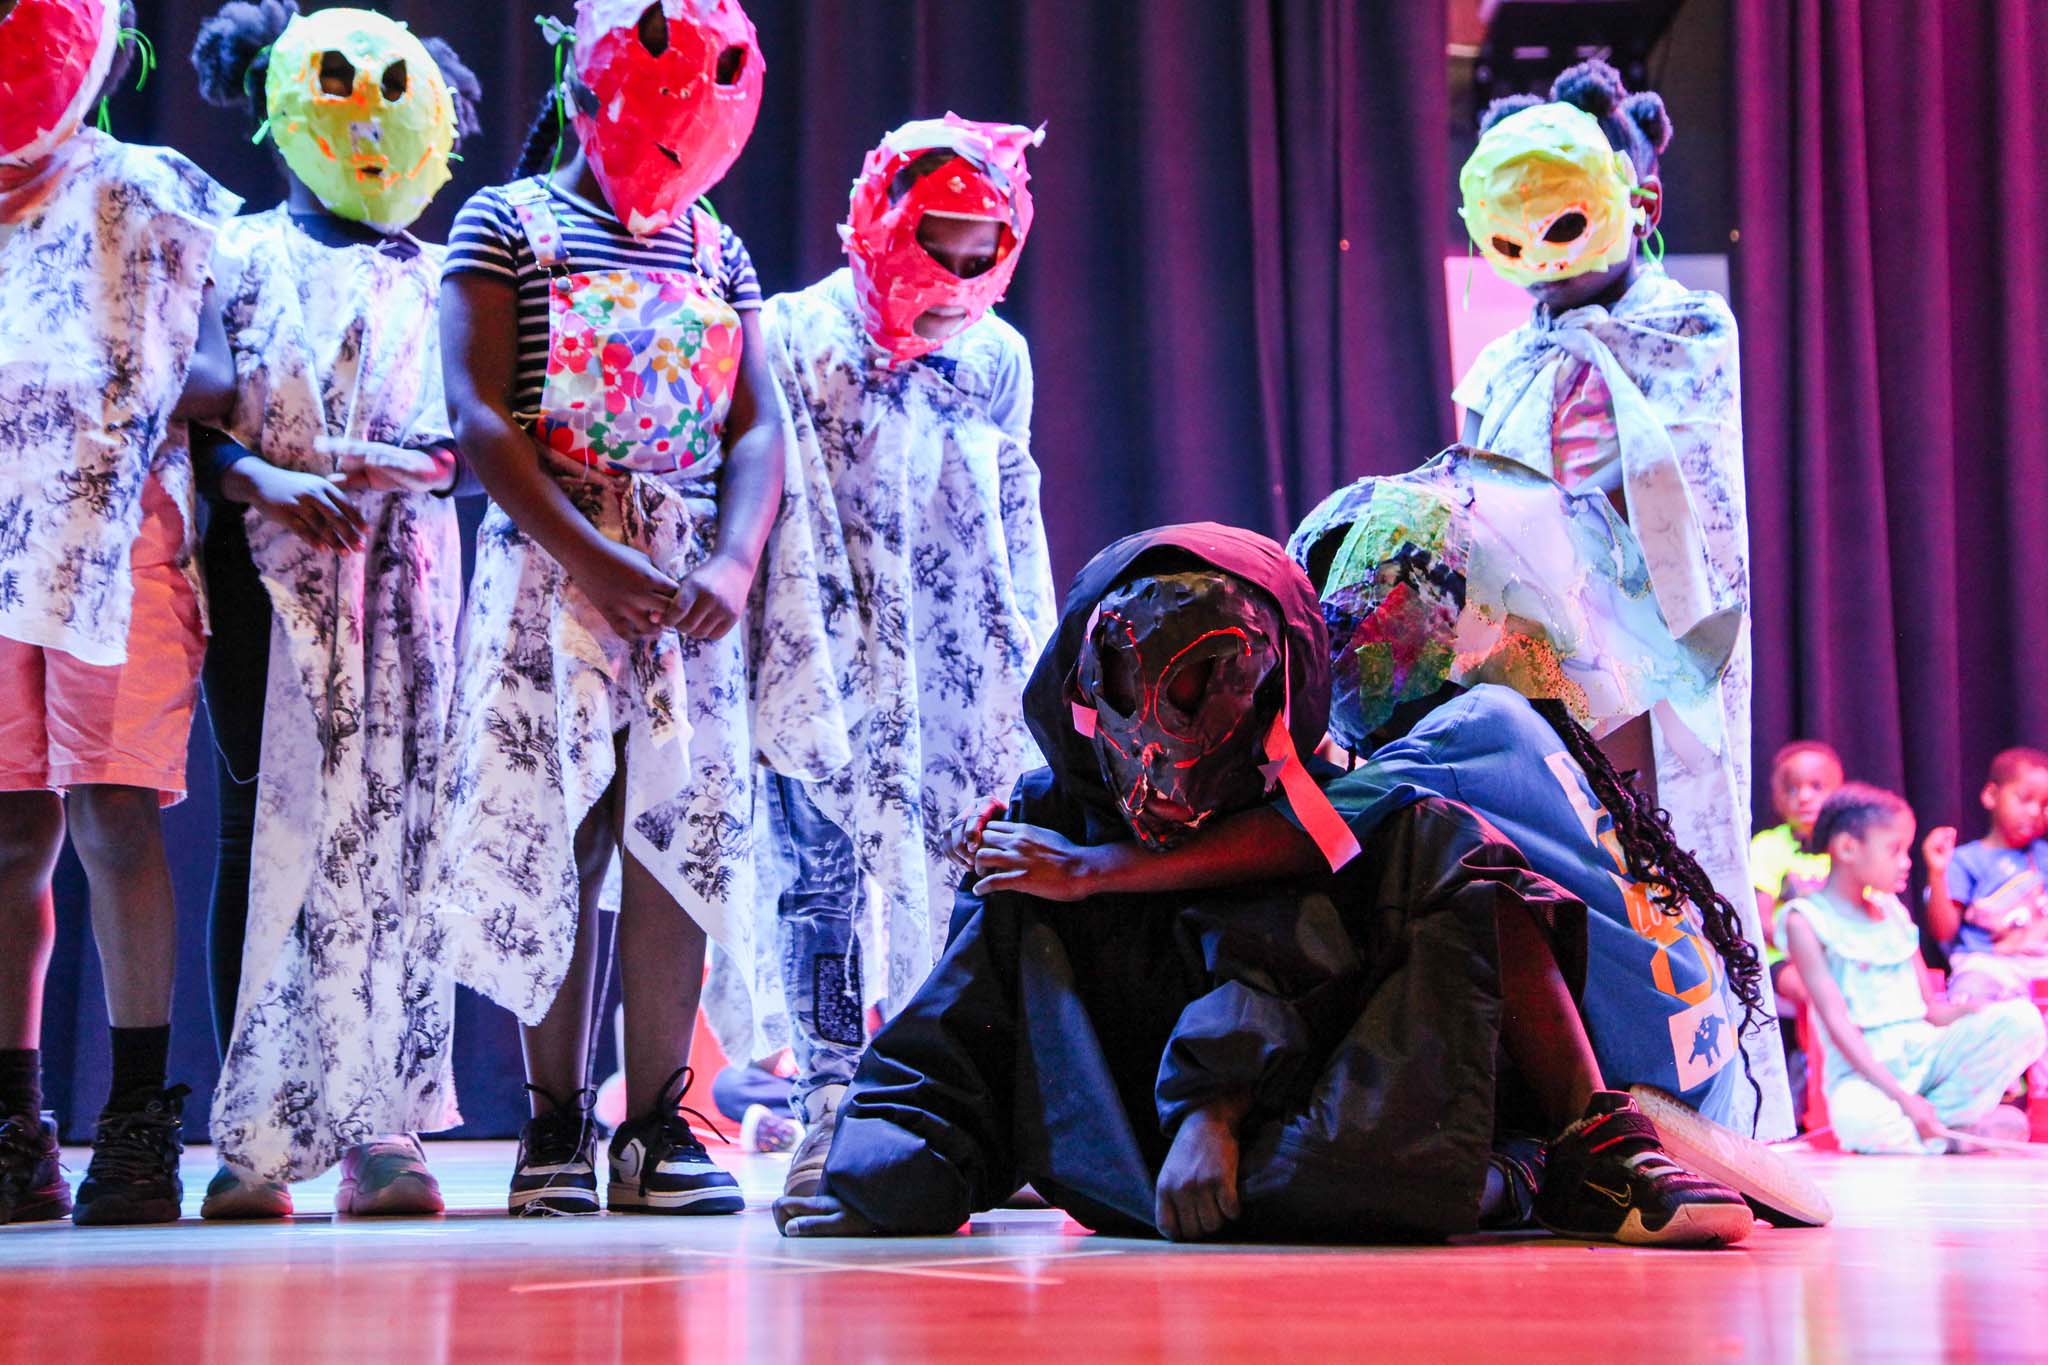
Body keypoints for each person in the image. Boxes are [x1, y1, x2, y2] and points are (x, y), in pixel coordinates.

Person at [779, 523, 1755, 1249]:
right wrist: (893, 1159)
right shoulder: (1044, 819)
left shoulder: (1368, 790)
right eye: (1146, 680)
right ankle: (1515, 1176)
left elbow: (1281, 903)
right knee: (1021, 888)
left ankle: (1577, 1150)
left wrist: (1216, 1108)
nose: (1175, 725)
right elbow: (962, 1015)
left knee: (1444, 848)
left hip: (1342, 1123)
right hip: (1138, 1158)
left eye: (1218, 683)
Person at [962, 452, 1828, 1225]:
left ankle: (1574, 1143)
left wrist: (1091, 868)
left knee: (1442, 878)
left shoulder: (1466, 734)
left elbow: (1304, 834)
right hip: (1689, 1051)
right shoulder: (1515, 727)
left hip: (1638, 1070)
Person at [429, 0, 839, 1217]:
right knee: (561, 829)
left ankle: (655, 1122)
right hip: (552, 567)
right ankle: (553, 1124)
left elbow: (755, 421)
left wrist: (730, 560)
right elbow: (478, 416)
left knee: (679, 840)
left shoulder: (715, 248)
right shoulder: (508, 223)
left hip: (680, 581)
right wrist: (586, 555)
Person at [701, 114, 1056, 1201]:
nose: (950, 279)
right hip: (823, 641)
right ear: (879, 222)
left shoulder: (994, 356)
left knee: (958, 875)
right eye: (932, 245)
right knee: (819, 879)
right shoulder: (795, 333)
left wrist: (1024, 674)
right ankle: (828, 1104)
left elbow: (1012, 511)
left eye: (976, 254)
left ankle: (949, 1102)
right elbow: (767, 487)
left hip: (950, 659)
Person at [1453, 60, 1789, 1137]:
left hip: (1643, 638)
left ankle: (1703, 1100)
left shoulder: (1684, 327)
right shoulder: (1507, 351)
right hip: (1533, 643)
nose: (1538, 268)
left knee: (1659, 849)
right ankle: (1577, 1096)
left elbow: (1679, 491)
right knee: (1553, 851)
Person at [187, 0, 482, 1220]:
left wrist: (428, 465)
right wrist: (268, 475)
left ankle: (385, 1126)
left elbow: (485, 426)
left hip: (409, 573)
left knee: (406, 832)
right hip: (271, 571)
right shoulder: (233, 247)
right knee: (270, 837)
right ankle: (255, 1131)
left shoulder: (444, 266)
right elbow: (190, 413)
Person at [0, 0, 242, 1226]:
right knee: (6, 830)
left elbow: (223, 362)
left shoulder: (148, 188)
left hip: (115, 536)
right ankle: (14, 1117)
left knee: (109, 812)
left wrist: (103, 367)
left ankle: (141, 1119)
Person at [1782, 783, 2043, 1154]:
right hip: (1867, 1076)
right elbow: (1839, 1026)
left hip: (1925, 1057)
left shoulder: (1892, 911)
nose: (1906, 862)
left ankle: (1937, 1128)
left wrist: (1977, 1014)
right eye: (1894, 850)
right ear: (1847, 848)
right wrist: (1904, 1099)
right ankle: (1954, 1136)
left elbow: (1931, 1010)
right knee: (1861, 1122)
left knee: (2023, 1020)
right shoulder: (1805, 921)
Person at [1750, 740, 1843, 1124]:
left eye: (1816, 787)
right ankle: (1816, 1087)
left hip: (1840, 961)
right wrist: (1807, 948)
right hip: (1785, 963)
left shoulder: (1847, 848)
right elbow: (1763, 920)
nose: (1804, 797)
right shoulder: (1769, 847)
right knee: (1814, 989)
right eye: (1792, 788)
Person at [1923, 748, 2048, 1004]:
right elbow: (1944, 931)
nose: (2036, 812)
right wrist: (1937, 873)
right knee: (1971, 992)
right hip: (1987, 964)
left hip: (2041, 963)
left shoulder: (2043, 856)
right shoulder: (1965, 861)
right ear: (1992, 795)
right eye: (2025, 800)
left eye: (2045, 805)